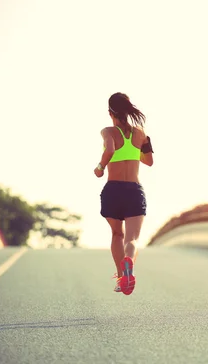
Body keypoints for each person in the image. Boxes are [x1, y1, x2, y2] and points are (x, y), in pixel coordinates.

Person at [94, 92, 154, 295]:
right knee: (132, 239)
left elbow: (110, 149)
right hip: (133, 190)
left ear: (110, 112)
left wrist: (100, 167)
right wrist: (134, 150)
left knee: (116, 234)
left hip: (113, 190)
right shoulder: (140, 134)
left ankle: (121, 276)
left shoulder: (108, 131)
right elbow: (149, 161)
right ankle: (130, 263)